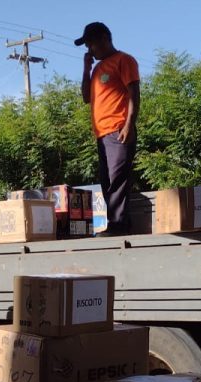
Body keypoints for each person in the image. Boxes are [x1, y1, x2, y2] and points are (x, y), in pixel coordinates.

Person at [77, 22, 140, 237]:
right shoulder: (96, 69)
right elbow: (86, 97)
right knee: (106, 182)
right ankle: (119, 225)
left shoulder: (124, 60)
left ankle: (118, 227)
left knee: (116, 180)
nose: (90, 50)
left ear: (104, 39)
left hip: (118, 130)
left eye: (91, 45)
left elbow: (134, 93)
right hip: (102, 134)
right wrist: (86, 68)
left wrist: (129, 124)